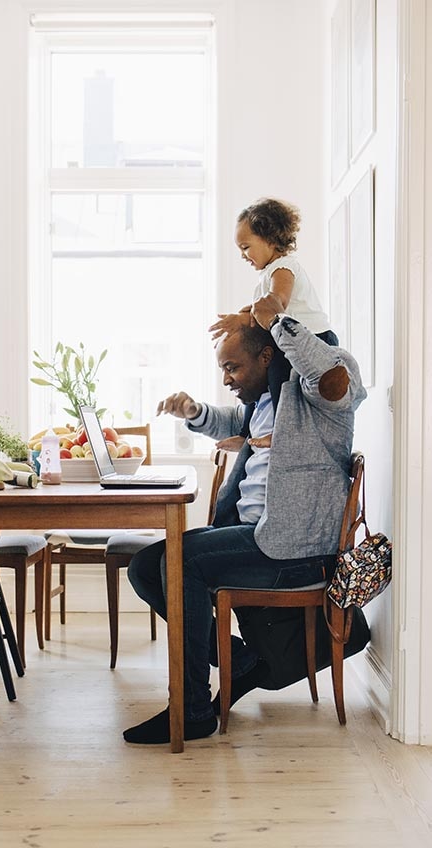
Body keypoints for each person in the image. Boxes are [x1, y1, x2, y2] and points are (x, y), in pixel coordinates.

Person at [123, 292, 366, 745]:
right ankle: (241, 660)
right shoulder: (264, 403)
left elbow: (333, 378)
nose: (228, 379)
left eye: (233, 368)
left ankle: (193, 710)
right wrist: (194, 412)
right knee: (145, 566)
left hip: (295, 550)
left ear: (268, 354)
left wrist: (278, 321)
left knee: (185, 561)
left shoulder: (318, 392)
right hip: (258, 536)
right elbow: (233, 417)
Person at [210, 197, 339, 453]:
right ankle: (245, 431)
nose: (242, 255)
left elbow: (276, 302)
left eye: (246, 247)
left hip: (314, 340)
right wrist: (241, 319)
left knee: (278, 373)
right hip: (288, 340)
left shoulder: (283, 267)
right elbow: (260, 311)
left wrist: (243, 317)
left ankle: (280, 431)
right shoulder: (266, 274)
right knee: (257, 376)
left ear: (269, 238)